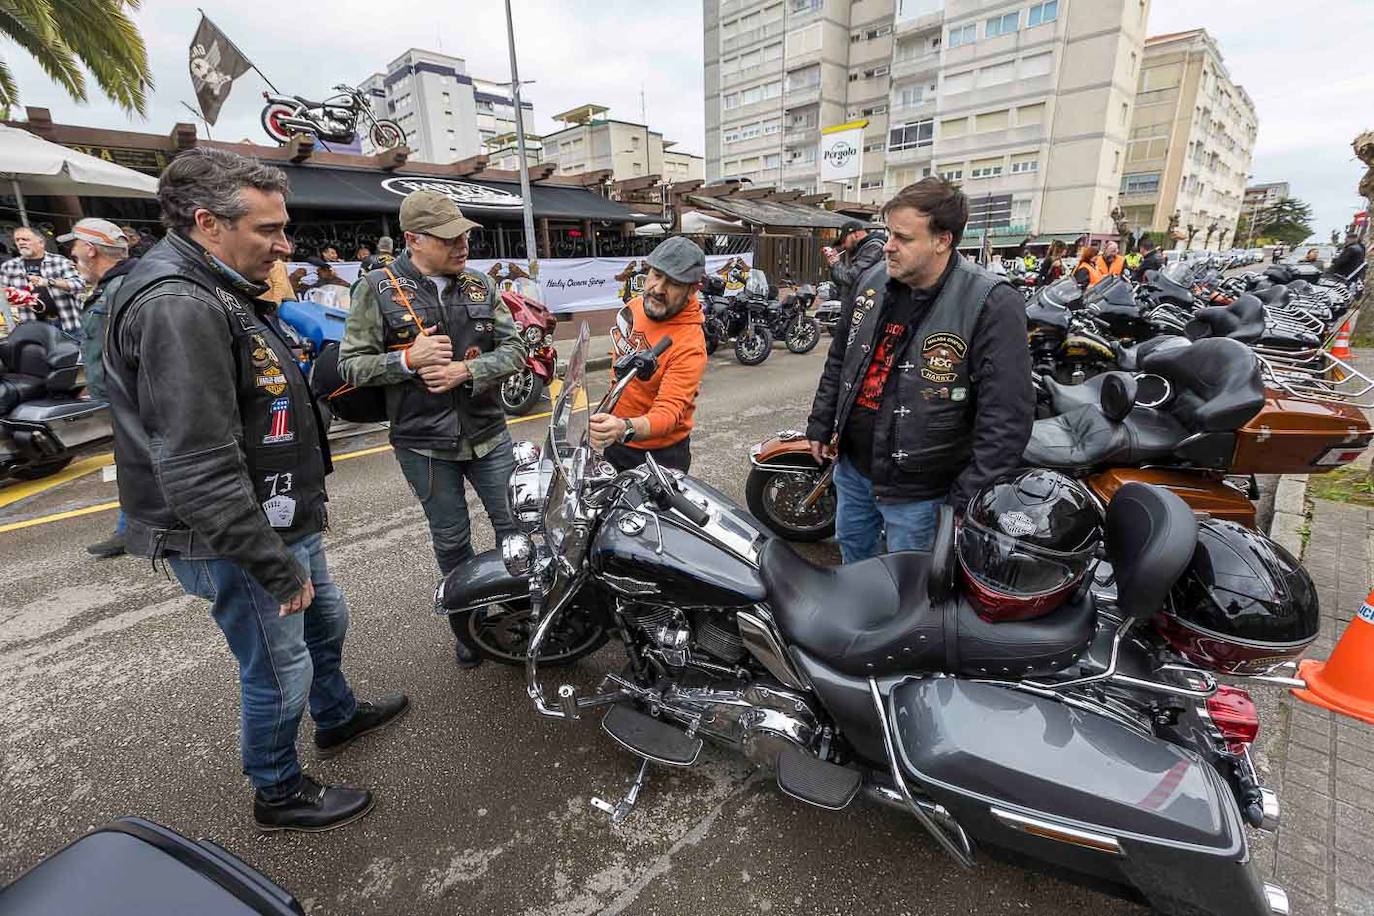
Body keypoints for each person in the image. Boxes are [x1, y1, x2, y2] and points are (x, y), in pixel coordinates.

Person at [104, 148, 408, 832]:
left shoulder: (217, 285)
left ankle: (336, 718)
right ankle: (277, 790)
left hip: (278, 516)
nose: (284, 243)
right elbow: (196, 465)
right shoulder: (179, 304)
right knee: (278, 666)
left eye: (283, 226)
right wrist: (271, 566)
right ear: (209, 223)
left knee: (326, 621)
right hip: (239, 538)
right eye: (268, 229)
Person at [338, 190, 526, 670]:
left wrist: (470, 371)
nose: (462, 244)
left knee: (517, 528)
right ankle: (467, 624)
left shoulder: (480, 285)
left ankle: (526, 610)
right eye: (448, 237)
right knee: (451, 539)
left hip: (488, 433)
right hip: (423, 445)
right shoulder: (376, 289)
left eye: (464, 233)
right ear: (413, 240)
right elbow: (352, 366)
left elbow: (517, 351)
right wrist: (406, 360)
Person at [805, 177, 1034, 562]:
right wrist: (821, 421)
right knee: (854, 568)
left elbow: (1007, 416)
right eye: (889, 233)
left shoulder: (990, 301)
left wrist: (966, 496)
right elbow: (841, 359)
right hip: (853, 471)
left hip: (923, 493)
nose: (889, 247)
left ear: (943, 240)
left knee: (910, 594)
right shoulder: (871, 279)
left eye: (903, 238)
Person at [589, 236, 709, 473]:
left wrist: (622, 428)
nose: (658, 289)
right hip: (618, 439)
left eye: (674, 283)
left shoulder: (689, 345)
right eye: (656, 275)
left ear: (692, 290)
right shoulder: (635, 307)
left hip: (659, 457)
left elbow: (668, 413)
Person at [60, 219, 138, 558]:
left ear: (90, 249)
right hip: (122, 394)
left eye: (75, 252)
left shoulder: (121, 287)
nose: (74, 259)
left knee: (138, 462)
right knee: (133, 462)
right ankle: (130, 528)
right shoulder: (113, 285)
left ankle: (132, 529)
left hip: (133, 396)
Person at [1, 226, 84, 335]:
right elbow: (2, 296)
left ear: (41, 242)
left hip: (67, 323)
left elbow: (79, 285)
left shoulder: (59, 261)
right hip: (35, 329)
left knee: (76, 351)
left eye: (25, 239)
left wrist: (49, 282)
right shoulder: (9, 267)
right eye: (17, 240)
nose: (21, 243)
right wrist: (15, 297)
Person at [825, 219, 886, 306]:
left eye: (844, 241)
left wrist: (836, 264)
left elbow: (851, 279)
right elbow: (843, 284)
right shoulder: (861, 250)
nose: (843, 246)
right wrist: (833, 266)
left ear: (855, 234)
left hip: (868, 305)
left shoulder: (873, 248)